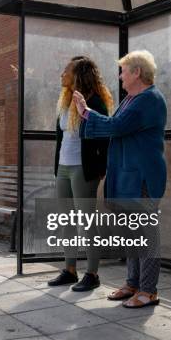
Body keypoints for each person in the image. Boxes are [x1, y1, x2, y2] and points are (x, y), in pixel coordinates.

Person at [73, 50, 167, 308]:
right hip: (127, 179)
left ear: (137, 72)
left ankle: (149, 290)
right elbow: (117, 125)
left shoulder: (149, 100)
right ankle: (133, 283)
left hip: (143, 180)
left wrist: (87, 112)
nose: (120, 76)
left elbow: (116, 126)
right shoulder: (131, 99)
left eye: (123, 71)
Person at [47, 56, 113, 291]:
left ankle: (92, 274)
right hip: (64, 168)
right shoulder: (65, 101)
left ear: (78, 75)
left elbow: (105, 134)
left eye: (66, 70)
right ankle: (70, 270)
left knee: (86, 222)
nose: (62, 74)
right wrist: (57, 166)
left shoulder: (94, 101)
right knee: (66, 221)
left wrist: (101, 167)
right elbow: (62, 137)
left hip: (83, 169)